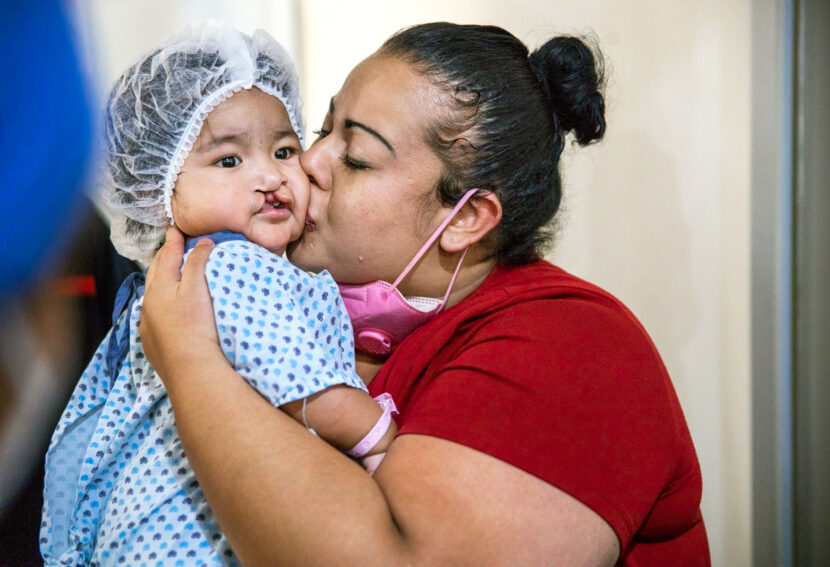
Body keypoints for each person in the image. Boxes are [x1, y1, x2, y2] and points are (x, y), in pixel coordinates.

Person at [139, 22, 711, 566]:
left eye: (357, 157)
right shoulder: (293, 300)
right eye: (321, 130)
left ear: (466, 219)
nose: (308, 163)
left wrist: (191, 364)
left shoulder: (573, 345)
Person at [40, 22, 398, 566]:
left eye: (284, 150)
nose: (270, 177)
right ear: (160, 190)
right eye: (228, 161)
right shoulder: (229, 265)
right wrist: (381, 438)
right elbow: (307, 389)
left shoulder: (191, 273)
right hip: (189, 531)